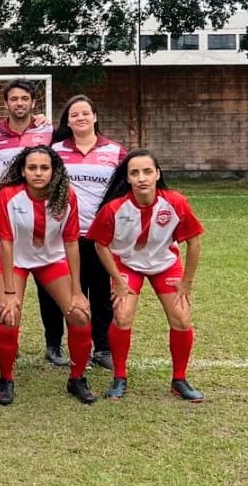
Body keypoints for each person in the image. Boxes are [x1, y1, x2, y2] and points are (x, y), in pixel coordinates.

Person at [87, 150, 205, 402]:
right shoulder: (114, 209)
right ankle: (119, 377)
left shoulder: (175, 202)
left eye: (147, 171)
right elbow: (100, 245)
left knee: (182, 319)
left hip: (165, 264)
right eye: (135, 173)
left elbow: (194, 244)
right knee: (122, 315)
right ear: (127, 178)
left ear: (157, 174)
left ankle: (179, 380)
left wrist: (186, 282)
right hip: (127, 265)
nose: (142, 178)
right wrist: (118, 281)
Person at [0, 145, 96, 406]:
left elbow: (71, 243)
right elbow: (6, 242)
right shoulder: (9, 196)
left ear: (54, 171)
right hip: (15, 258)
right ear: (23, 171)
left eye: (44, 168)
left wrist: (78, 291)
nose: (38, 173)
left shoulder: (66, 196)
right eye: (32, 167)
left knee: (80, 315)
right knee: (9, 315)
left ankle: (77, 378)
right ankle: (6, 378)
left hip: (51, 259)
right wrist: (10, 293)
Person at [0, 79, 68, 369]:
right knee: (6, 286)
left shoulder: (48, 131)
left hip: (44, 215)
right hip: (9, 217)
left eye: (24, 99)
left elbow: (57, 162)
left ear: (33, 102)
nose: (19, 103)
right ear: (6, 103)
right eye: (14, 99)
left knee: (50, 289)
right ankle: (10, 343)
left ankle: (54, 344)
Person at [51, 95, 128, 370]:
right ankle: (62, 344)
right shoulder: (56, 150)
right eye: (74, 114)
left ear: (95, 116)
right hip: (65, 235)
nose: (80, 118)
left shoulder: (115, 151)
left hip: (101, 237)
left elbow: (124, 190)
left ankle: (103, 347)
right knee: (67, 292)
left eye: (86, 113)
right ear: (68, 121)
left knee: (100, 293)